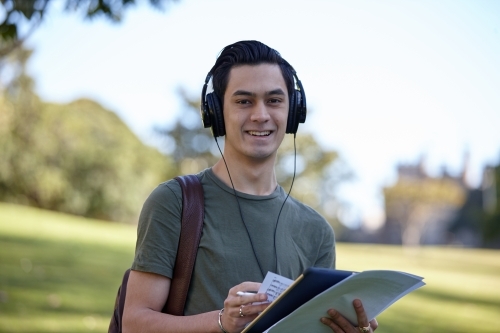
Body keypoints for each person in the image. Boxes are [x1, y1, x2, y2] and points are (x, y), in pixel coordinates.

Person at [123, 40, 378, 333]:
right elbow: (134, 324)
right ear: (216, 112)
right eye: (244, 101)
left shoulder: (317, 231)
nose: (260, 115)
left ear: (293, 111)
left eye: (274, 100)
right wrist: (221, 321)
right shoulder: (174, 202)